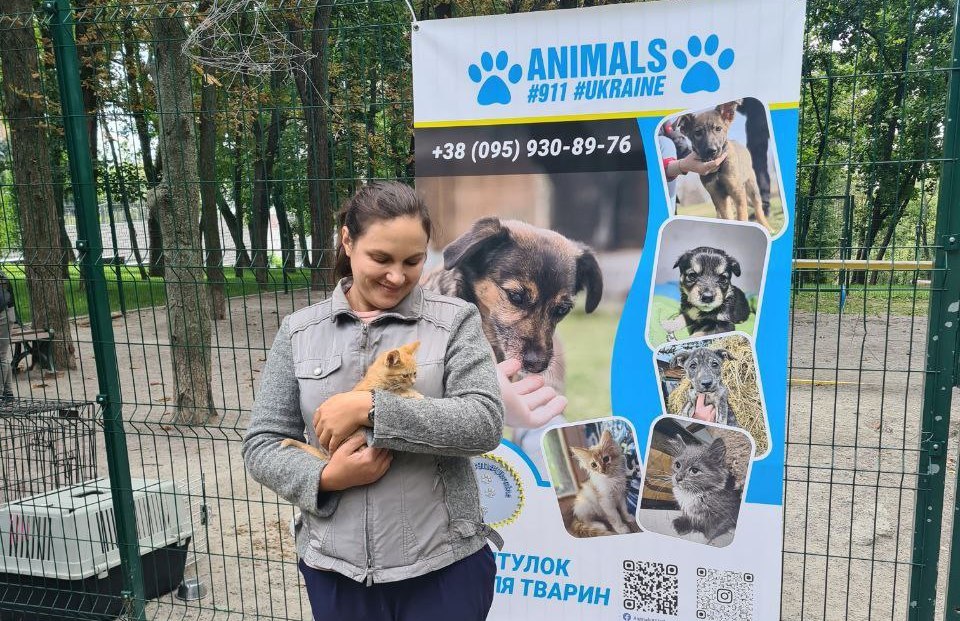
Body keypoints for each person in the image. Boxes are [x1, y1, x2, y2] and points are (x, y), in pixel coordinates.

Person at [242, 181, 505, 621]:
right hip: (336, 569)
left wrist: (371, 409)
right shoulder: (300, 332)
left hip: (443, 567)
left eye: (413, 261)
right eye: (380, 259)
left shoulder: (454, 321)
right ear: (347, 241)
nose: (397, 276)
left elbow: (483, 422)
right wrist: (326, 477)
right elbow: (263, 444)